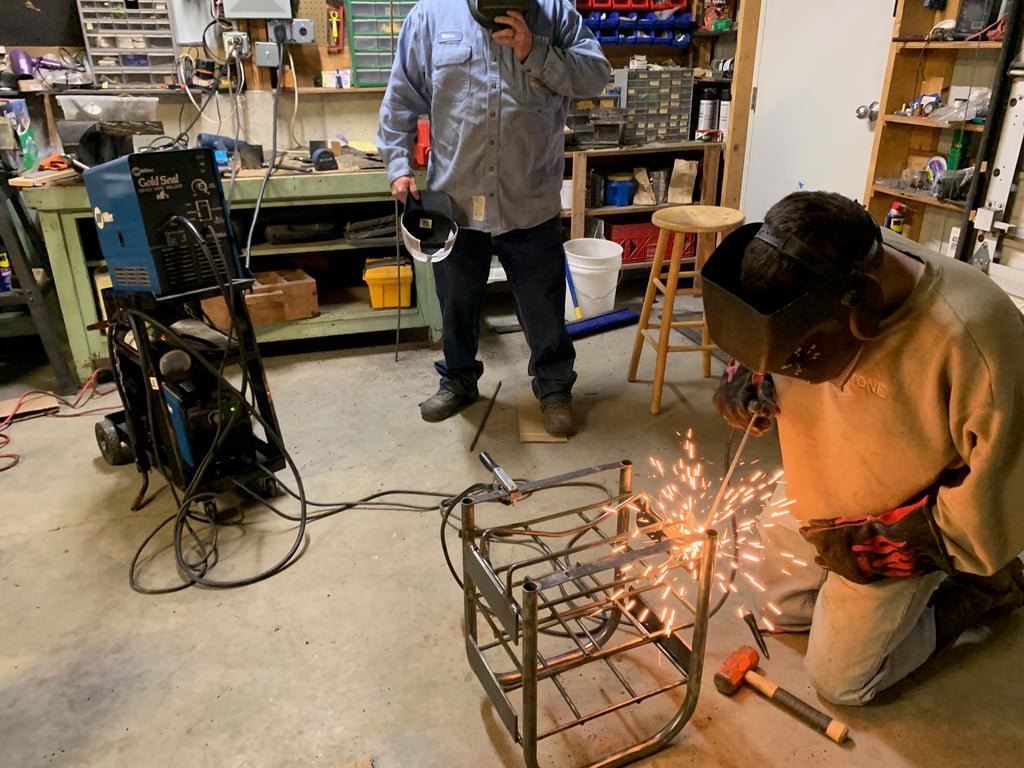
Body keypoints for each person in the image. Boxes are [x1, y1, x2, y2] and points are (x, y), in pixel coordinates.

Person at [702, 190, 1024, 706]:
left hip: (897, 523)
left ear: (861, 312)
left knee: (842, 683)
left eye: (797, 356)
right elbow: (769, 320)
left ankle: (982, 589)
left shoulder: (975, 336)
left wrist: (878, 550)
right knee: (778, 612)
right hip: (820, 490)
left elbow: (998, 496)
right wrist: (747, 372)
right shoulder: (815, 264)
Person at [377, 0, 611, 436]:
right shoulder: (430, 16)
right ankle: (459, 380)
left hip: (530, 199)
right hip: (458, 204)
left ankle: (555, 387)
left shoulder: (555, 13)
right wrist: (398, 165)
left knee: (542, 309)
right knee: (456, 304)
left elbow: (596, 75)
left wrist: (535, 51)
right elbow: (402, 96)